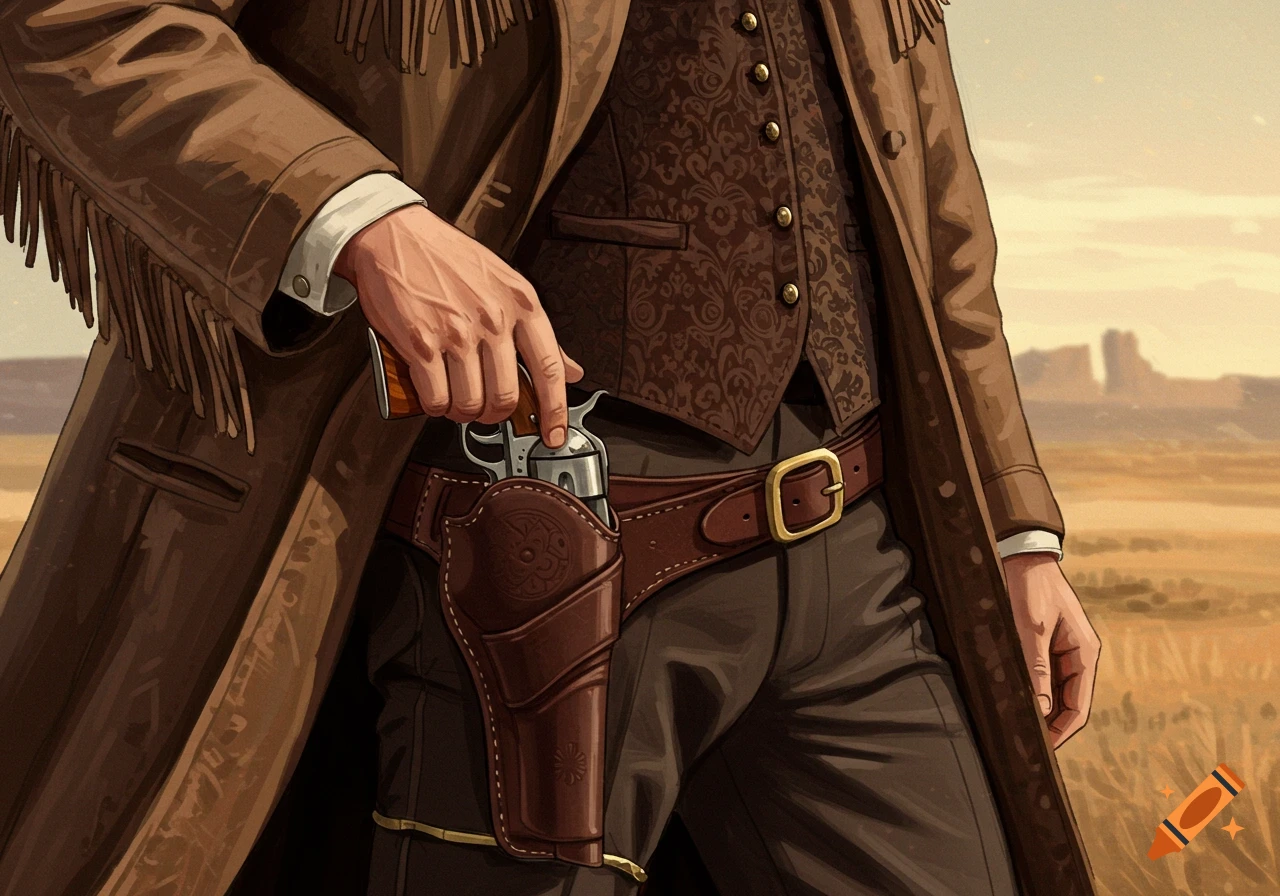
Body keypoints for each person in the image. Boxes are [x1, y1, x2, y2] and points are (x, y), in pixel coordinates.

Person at [0, 0, 1100, 893]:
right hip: (527, 562)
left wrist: (1013, 527)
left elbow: (933, 219)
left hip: (856, 558)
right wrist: (356, 217)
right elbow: (77, 20)